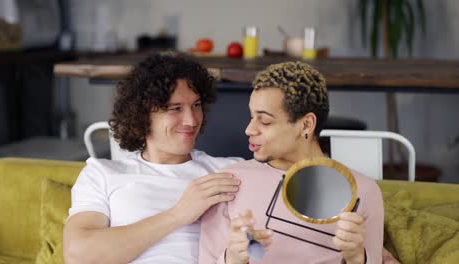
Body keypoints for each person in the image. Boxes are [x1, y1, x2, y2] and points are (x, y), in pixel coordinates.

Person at [63, 52, 243, 264]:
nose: (191, 120)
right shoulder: (103, 174)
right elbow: (78, 255)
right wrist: (177, 215)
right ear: (142, 114)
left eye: (196, 105)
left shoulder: (231, 171)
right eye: (175, 108)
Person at [199, 61, 384, 264]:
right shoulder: (228, 183)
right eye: (251, 117)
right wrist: (232, 258)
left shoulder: (363, 191)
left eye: (265, 121)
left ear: (306, 124)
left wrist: (357, 258)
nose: (249, 130)